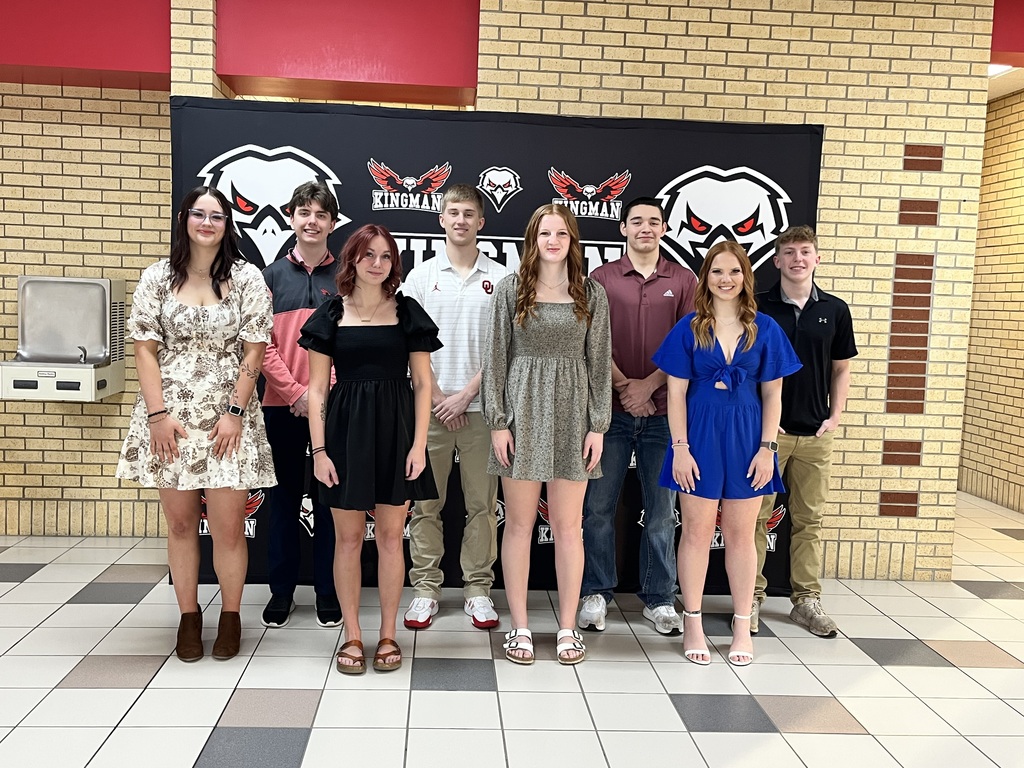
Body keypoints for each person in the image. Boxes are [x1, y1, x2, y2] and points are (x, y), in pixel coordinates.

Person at [116, 185, 276, 662]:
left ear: (228, 225)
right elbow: (144, 348)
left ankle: (230, 616)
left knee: (228, 528)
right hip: (170, 419)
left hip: (229, 419)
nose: (207, 223)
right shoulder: (157, 277)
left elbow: (254, 349)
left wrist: (235, 413)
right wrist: (157, 416)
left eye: (217, 216)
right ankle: (188, 617)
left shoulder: (246, 277)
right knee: (182, 524)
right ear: (184, 219)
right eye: (198, 214)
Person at [301, 223, 440, 675]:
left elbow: (423, 384)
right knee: (346, 540)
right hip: (344, 434)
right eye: (368, 255)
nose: (377, 263)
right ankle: (352, 635)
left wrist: (419, 445)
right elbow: (317, 390)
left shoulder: (408, 312)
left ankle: (388, 634)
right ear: (352, 259)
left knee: (390, 539)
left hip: (397, 432)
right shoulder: (329, 314)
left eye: (385, 256)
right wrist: (320, 451)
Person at [653, 240, 800, 666]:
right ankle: (693, 623)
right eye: (717, 271)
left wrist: (767, 449)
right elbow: (675, 394)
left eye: (734, 271)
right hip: (698, 438)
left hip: (748, 440)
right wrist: (680, 449)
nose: (726, 279)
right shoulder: (689, 327)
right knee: (696, 533)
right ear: (706, 278)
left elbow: (773, 396)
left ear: (745, 277)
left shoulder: (765, 328)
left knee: (741, 535)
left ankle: (741, 625)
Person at [482, 204, 611, 666]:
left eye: (561, 233)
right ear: (532, 240)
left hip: (574, 414)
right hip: (521, 412)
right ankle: (519, 626)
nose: (552, 241)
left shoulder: (591, 293)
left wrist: (598, 425)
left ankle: (567, 627)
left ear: (573, 240)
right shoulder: (510, 289)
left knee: (569, 528)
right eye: (544, 233)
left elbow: (599, 362)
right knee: (518, 525)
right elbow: (495, 357)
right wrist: (498, 421)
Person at [579, 197, 696, 636]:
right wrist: (627, 388)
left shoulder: (683, 280)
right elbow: (590, 341)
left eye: (653, 221)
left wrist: (648, 386)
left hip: (666, 412)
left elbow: (689, 343)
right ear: (623, 228)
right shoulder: (601, 278)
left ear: (664, 229)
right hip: (608, 413)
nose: (645, 228)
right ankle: (596, 592)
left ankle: (660, 597)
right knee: (598, 508)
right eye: (636, 221)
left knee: (662, 511)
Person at [403, 185, 508, 631]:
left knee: (482, 505)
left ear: (481, 222)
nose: (461, 220)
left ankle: (478, 589)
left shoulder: (503, 277)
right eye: (453, 212)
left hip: (483, 409)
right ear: (441, 219)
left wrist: (466, 395)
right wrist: (440, 397)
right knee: (426, 504)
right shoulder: (421, 277)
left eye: (469, 213)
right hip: (430, 409)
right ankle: (426, 589)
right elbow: (408, 343)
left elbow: (507, 346)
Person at [752, 226, 857, 638]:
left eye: (805, 251)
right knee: (756, 517)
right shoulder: (758, 307)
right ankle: (751, 597)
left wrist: (835, 416)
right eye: (790, 252)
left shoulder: (835, 309)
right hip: (767, 435)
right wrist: (763, 418)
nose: (798, 258)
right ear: (777, 260)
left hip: (815, 435)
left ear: (817, 258)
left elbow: (841, 368)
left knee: (809, 520)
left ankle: (806, 601)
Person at [260, 181, 342, 629]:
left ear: (332, 222)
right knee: (283, 501)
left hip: (334, 407)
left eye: (321, 214)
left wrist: (319, 395)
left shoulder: (346, 277)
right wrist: (295, 394)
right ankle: (282, 592)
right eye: (304, 212)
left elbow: (351, 341)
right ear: (291, 217)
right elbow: (260, 346)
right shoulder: (270, 277)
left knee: (331, 503)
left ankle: (328, 592)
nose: (312, 221)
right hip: (280, 406)